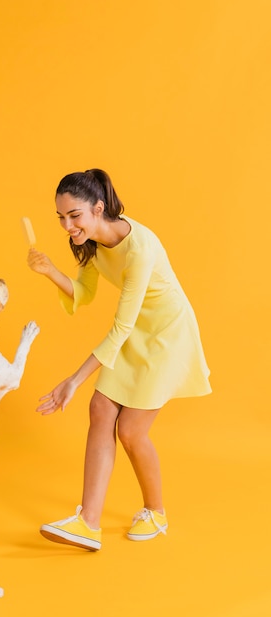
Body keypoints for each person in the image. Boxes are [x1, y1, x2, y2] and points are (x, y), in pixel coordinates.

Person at [27, 168, 211, 551]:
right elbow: (83, 293)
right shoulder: (92, 242)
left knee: (130, 430)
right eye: (61, 217)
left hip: (165, 335)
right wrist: (48, 271)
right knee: (100, 408)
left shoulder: (139, 249)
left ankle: (156, 513)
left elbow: (120, 327)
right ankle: (88, 523)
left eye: (74, 216)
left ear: (98, 208)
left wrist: (73, 381)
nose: (67, 225)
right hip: (135, 329)